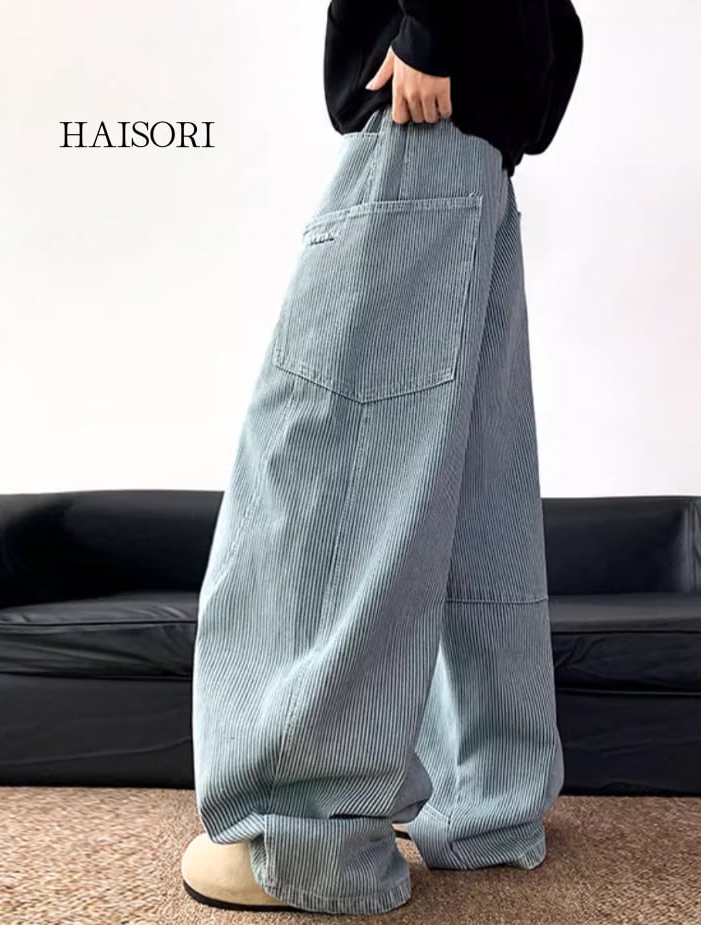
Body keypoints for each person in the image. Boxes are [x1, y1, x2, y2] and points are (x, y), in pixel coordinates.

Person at [181, 0, 584, 915]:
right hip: (480, 145)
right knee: (473, 493)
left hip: (424, 114)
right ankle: (488, 804)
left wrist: (433, 28)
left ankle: (302, 837)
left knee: (327, 467)